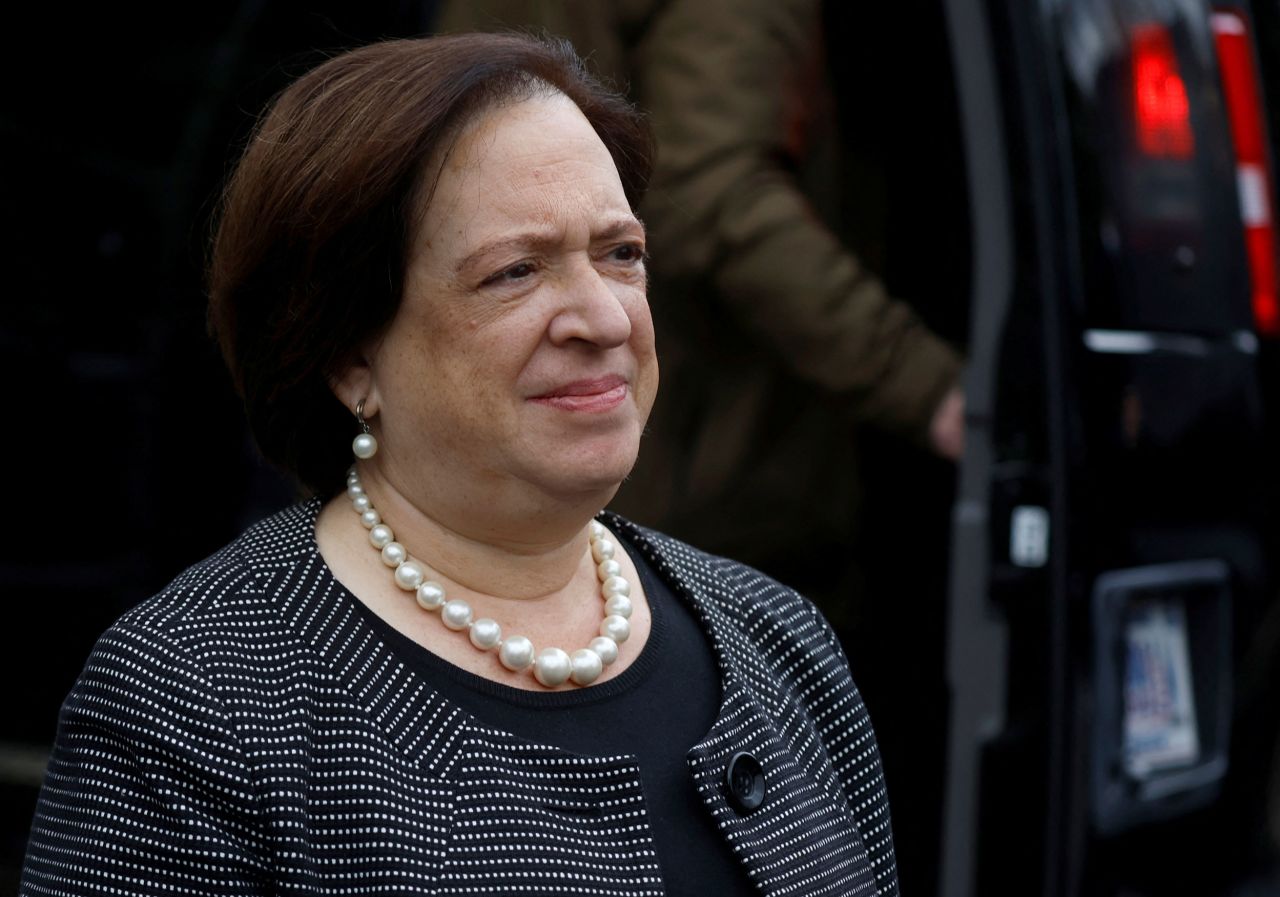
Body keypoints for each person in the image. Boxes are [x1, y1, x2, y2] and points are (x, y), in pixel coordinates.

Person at [19, 33, 899, 897]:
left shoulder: (779, 641)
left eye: (620, 253)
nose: (602, 318)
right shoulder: (191, 699)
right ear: (350, 358)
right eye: (516, 272)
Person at [435, 0, 966, 625]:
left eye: (622, 254)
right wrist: (932, 389)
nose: (603, 317)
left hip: (491, 486)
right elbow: (713, 195)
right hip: (689, 480)